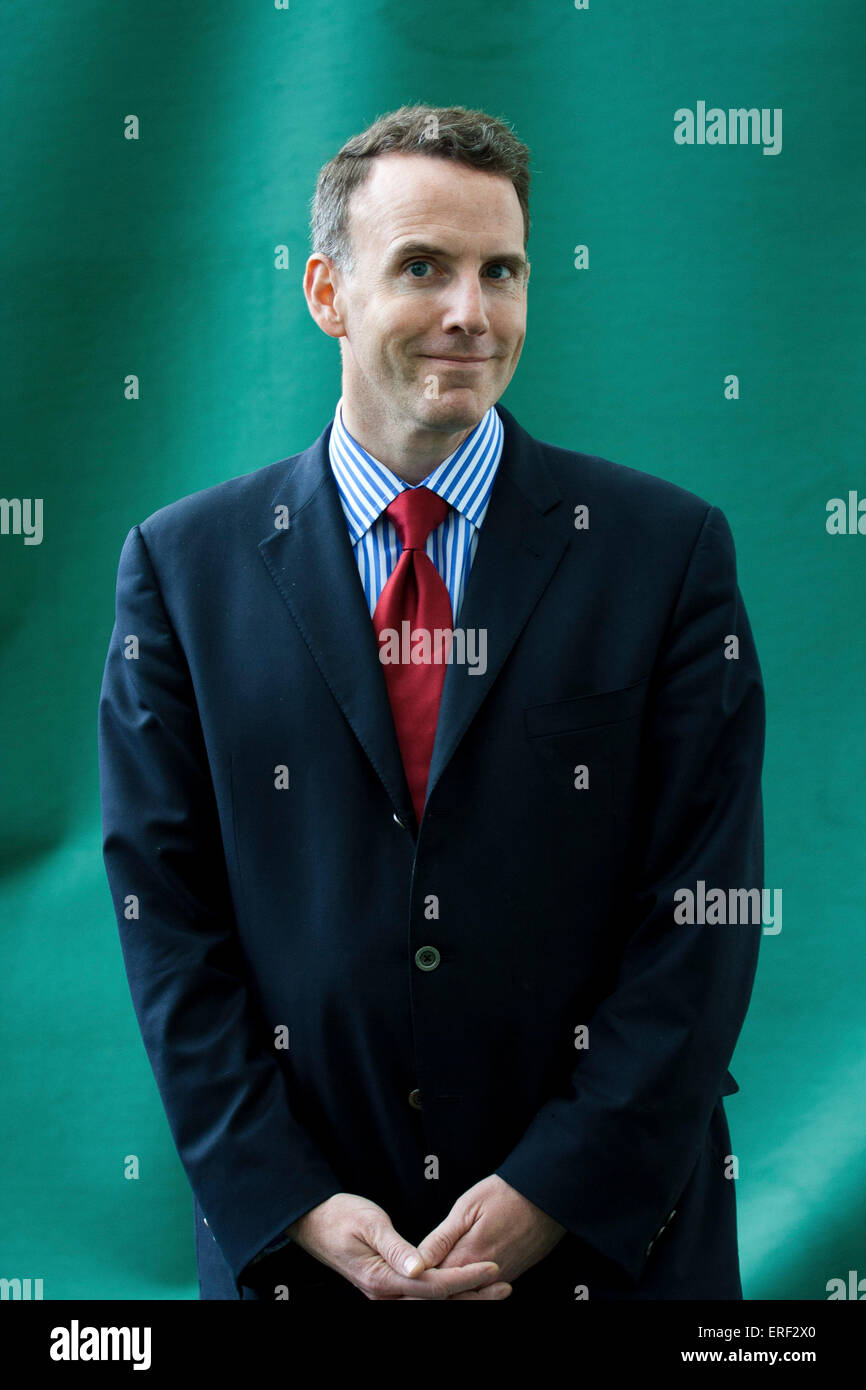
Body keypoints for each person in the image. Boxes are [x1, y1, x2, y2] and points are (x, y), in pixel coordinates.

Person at [98, 104, 765, 1302]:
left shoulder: (664, 556)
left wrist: (554, 1190)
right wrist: (288, 1198)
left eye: (499, 271)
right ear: (325, 292)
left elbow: (702, 914)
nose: (471, 312)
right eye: (422, 267)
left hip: (613, 1255)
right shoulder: (179, 569)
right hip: (297, 1260)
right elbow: (168, 924)